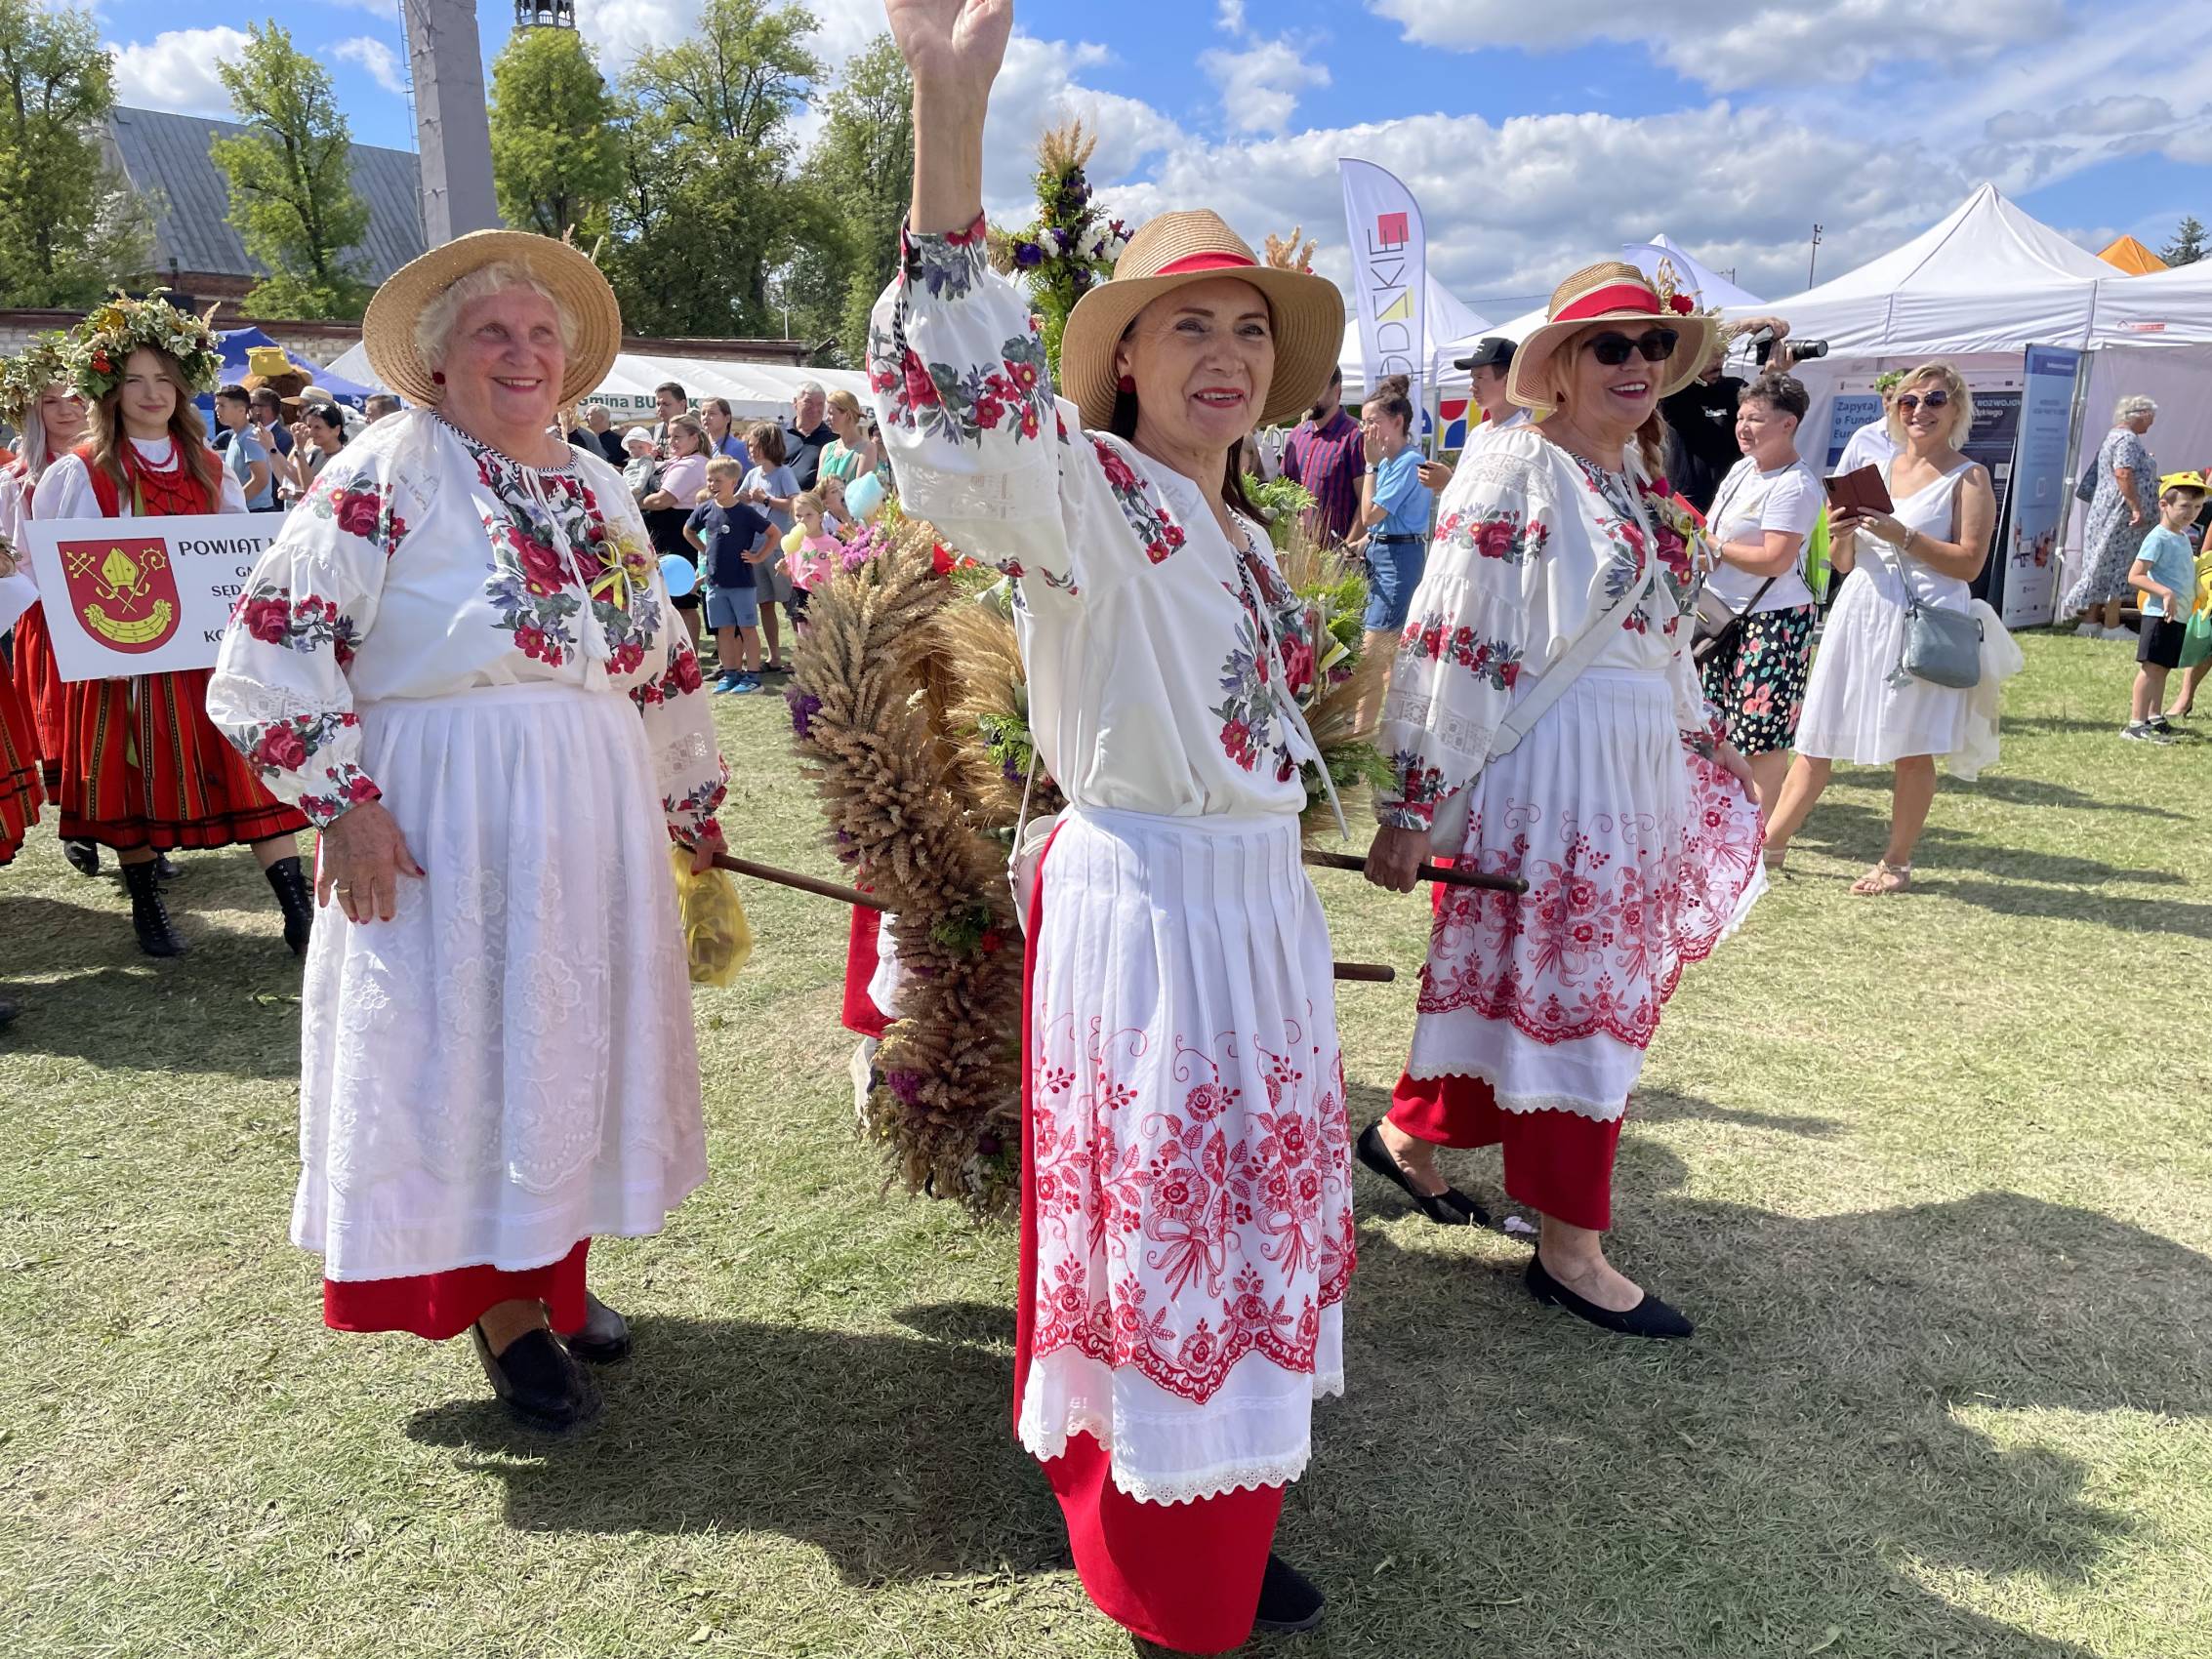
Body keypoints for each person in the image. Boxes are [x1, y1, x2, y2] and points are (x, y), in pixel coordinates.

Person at [875, 2, 1354, 1646]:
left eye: (1246, 327)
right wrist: (950, 118)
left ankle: (1217, 1496)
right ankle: (1160, 1548)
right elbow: (966, 421)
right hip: (1149, 908)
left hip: (1249, 908)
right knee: (1163, 1223)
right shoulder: (1079, 496)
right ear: (1125, 363)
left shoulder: (1249, 539)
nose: (1225, 352)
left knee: (1243, 1212)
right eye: (1183, 325)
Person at [206, 227, 730, 1435]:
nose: (522, 353)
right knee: (473, 1042)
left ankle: (553, 1270)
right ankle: (500, 1308)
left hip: (590, 800)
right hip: (451, 808)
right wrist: (344, 802)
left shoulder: (597, 481)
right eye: (493, 333)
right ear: (437, 362)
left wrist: (686, 800)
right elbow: (272, 640)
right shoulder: (389, 468)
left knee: (566, 1036)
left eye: (541, 334)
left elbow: (658, 655)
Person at [1359, 260, 1765, 1341]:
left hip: (1629, 762)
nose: (1638, 364)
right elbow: (1454, 632)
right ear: (1563, 365)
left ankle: (1407, 1138)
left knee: (1532, 978)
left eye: (1653, 346)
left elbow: (1657, 632)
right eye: (1610, 346)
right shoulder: (1515, 464)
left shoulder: (1631, 475)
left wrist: (1700, 730)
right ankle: (1569, 1248)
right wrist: (1411, 802)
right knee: (1571, 986)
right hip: (1557, 773)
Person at [34, 297, 314, 956]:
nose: (151, 393)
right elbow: (61, 570)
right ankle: (147, 903)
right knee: (132, 776)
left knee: (248, 764)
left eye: (164, 378)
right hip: (126, 653)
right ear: (110, 389)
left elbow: (239, 555)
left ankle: (296, 907)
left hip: (208, 652)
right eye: (135, 379)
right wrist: (103, 639)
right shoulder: (80, 471)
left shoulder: (211, 466)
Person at [1764, 362, 2019, 894]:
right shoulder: (1875, 469)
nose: (1920, 410)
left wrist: (1902, 535)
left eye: (1935, 400)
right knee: (1816, 734)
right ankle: (1770, 847)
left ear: (1957, 408)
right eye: (1909, 401)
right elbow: (1842, 562)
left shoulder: (1969, 476)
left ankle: (1896, 863)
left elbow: (1970, 564)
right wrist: (1841, 533)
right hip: (1860, 611)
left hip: (1920, 618)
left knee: (1912, 746)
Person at [1700, 370, 1823, 816]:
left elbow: (1775, 559)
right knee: (1714, 726)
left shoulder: (1796, 484)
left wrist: (1714, 547)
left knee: (1762, 737)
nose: (1742, 427)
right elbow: (1712, 528)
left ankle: (1759, 839)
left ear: (1788, 424)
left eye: (1755, 419)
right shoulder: (1742, 470)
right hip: (1721, 613)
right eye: (1740, 417)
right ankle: (1721, 824)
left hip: (1774, 621)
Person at [0, 335, 88, 819]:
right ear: (33, 411)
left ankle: (129, 823)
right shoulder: (17, 481)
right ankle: (77, 819)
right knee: (65, 714)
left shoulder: (114, 467)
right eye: (50, 401)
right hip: (48, 613)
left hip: (114, 604)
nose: (65, 409)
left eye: (73, 396)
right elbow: (16, 556)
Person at [1659, 314, 1789, 513]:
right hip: (1683, 509)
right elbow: (1686, 339)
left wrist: (1772, 376)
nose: (1718, 362)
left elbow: (1767, 419)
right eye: (1711, 355)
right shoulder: (1674, 392)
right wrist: (1746, 324)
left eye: (1722, 354)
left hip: (1732, 505)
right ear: (1693, 356)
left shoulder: (1734, 389)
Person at [2065, 396, 2160, 637]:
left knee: (2102, 564)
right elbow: (2123, 473)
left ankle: (2090, 621)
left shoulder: (2113, 436)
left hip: (2107, 512)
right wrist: (2136, 508)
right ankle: (2111, 623)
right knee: (2119, 565)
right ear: (2140, 414)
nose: (2151, 423)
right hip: (2121, 515)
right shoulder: (2127, 439)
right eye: (2151, 417)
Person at [2120, 476, 2205, 742]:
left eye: (2197, 507)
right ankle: (2135, 724)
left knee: (2163, 668)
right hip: (2159, 615)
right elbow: (2135, 576)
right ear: (2164, 505)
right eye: (2185, 506)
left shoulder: (2182, 537)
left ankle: (2154, 717)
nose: (2191, 513)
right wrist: (2165, 593)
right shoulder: (2158, 538)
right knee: (2151, 669)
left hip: (2178, 615)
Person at [1355, 389, 1431, 681]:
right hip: (1385, 554)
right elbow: (1387, 521)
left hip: (1397, 560)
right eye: (1363, 423)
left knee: (1373, 653)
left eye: (1372, 422)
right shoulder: (1390, 461)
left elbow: (1369, 516)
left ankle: (1369, 712)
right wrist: (1363, 542)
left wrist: (1370, 466)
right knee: (1380, 654)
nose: (1365, 430)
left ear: (1398, 422)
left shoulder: (1407, 462)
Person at [686, 455, 772, 695]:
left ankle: (753, 677)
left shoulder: (745, 512)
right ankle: (730, 674)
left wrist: (758, 557)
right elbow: (688, 531)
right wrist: (705, 549)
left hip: (742, 582)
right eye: (709, 480)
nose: (712, 484)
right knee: (724, 630)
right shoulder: (705, 509)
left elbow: (774, 533)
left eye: (718, 480)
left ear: (733, 482)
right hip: (715, 583)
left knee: (747, 629)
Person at [640, 413, 711, 642]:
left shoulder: (692, 465)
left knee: (683, 602)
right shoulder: (678, 461)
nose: (672, 442)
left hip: (677, 536)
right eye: (670, 437)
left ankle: (689, 652)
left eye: (677, 437)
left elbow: (664, 500)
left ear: (694, 438)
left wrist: (639, 500)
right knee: (669, 600)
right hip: (666, 534)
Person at [1278, 363, 1364, 545]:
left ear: (1337, 391)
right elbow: (1283, 492)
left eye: (1317, 389)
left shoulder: (1355, 436)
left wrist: (1346, 549)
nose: (1309, 397)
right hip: (1296, 551)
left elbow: (1366, 501)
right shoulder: (1296, 435)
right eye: (1307, 390)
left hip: (1335, 553)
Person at [739, 423, 800, 672]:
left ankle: (802, 655)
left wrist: (765, 499)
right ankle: (774, 657)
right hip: (756, 546)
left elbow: (794, 503)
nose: (751, 451)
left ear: (769, 445)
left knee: (789, 602)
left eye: (755, 445)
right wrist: (741, 498)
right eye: (749, 446)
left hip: (778, 547)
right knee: (764, 602)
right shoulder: (752, 474)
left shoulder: (783, 472)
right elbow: (741, 498)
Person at [213, 384, 277, 511]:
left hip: (256, 512)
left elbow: (260, 479)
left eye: (222, 405)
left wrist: (234, 504)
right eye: (216, 405)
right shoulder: (236, 436)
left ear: (241, 410)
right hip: (246, 511)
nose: (216, 409)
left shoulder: (250, 436)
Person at [1834, 371, 1904, 479]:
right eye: (1889, 398)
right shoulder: (1864, 436)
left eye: (1900, 399)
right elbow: (1840, 481)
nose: (1893, 404)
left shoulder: (1924, 436)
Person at [781, 381, 835, 492]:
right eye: (808, 402)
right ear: (795, 402)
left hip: (812, 501)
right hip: (775, 499)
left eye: (820, 404)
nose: (815, 409)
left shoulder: (833, 439)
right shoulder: (778, 434)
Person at [816, 388, 876, 485]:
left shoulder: (867, 449)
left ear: (847, 415)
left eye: (831, 413)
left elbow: (860, 490)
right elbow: (818, 488)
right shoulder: (827, 449)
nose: (827, 418)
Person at [700, 396, 752, 467]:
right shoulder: (695, 446)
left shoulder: (739, 448)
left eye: (712, 413)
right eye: (703, 413)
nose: (705, 417)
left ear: (727, 418)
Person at [248, 386, 297, 460]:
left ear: (267, 410)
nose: (247, 409)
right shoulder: (246, 433)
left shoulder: (285, 440)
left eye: (251, 406)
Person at [620, 425, 658, 502]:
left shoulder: (646, 460)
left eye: (640, 447)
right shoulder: (632, 461)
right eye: (632, 447)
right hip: (628, 486)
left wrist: (638, 487)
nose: (636, 450)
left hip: (637, 489)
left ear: (649, 448)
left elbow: (644, 475)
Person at [579, 400, 622, 464]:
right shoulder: (584, 438)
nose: (585, 418)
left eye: (588, 415)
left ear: (601, 418)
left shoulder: (619, 442)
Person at [649, 379, 688, 444]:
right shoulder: (651, 434)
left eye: (666, 404)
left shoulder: (696, 433)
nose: (660, 409)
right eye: (658, 404)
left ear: (682, 405)